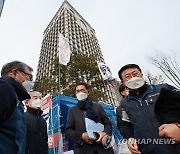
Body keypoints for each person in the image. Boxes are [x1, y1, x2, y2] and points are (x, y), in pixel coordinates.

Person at [118, 64, 179, 154]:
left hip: (174, 145)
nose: (133, 78)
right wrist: (130, 138)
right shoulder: (125, 103)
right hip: (147, 148)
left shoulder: (163, 89)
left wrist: (177, 125)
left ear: (142, 75)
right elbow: (125, 124)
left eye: (135, 74)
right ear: (122, 82)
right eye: (127, 77)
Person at [65, 82, 114, 154]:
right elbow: (69, 131)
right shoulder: (72, 110)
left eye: (82, 90)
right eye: (77, 91)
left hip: (102, 148)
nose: (80, 93)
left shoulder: (98, 107)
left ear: (88, 92)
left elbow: (107, 123)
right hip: (83, 149)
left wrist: (104, 135)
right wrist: (81, 136)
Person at [0, 60, 33, 154]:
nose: (30, 81)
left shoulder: (15, 96)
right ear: (14, 73)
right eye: (29, 76)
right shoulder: (4, 88)